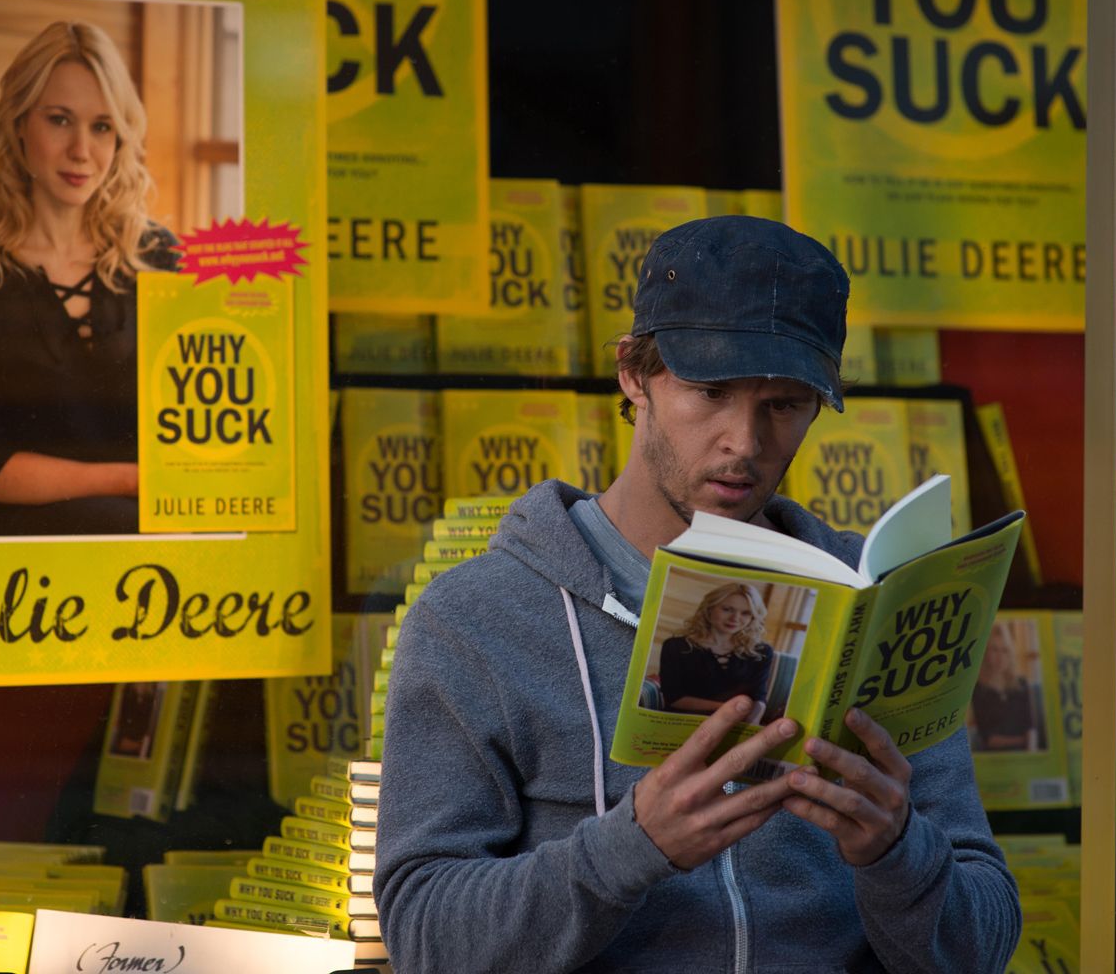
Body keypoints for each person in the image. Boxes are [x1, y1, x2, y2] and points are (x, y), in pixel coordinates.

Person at [376, 216, 1020, 972]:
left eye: (783, 405)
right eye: (710, 391)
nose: (744, 443)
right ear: (633, 374)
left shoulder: (871, 602)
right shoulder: (475, 619)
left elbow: (983, 942)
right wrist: (631, 847)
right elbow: (423, 937)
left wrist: (896, 853)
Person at [0, 20, 179, 537]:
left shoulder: (159, 257)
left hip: (149, 535)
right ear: (19, 123)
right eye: (61, 120)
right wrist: (133, 482)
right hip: (28, 538)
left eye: (102, 127)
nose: (82, 151)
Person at [659, 582, 773, 715]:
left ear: (753, 617)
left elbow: (759, 698)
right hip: (682, 720)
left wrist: (750, 725)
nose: (735, 618)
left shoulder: (762, 652)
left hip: (736, 724)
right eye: (727, 609)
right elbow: (674, 698)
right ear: (709, 609)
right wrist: (730, 709)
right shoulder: (675, 646)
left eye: (745, 613)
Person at [969, 624, 1044, 752]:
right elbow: (989, 740)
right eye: (994, 649)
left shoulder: (1022, 683)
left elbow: (1031, 727)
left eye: (1004, 650)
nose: (1000, 657)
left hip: (1026, 753)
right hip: (995, 757)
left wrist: (1031, 752)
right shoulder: (977, 689)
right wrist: (1021, 740)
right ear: (986, 652)